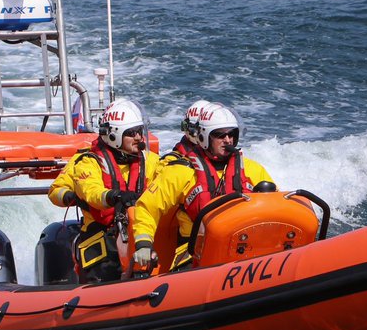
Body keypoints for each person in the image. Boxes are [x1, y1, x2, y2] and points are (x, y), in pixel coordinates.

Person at [130, 102, 275, 272]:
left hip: (243, 247)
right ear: (205, 137)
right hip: (195, 251)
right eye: (220, 135)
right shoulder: (181, 171)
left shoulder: (251, 169)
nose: (227, 140)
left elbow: (274, 203)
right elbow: (147, 207)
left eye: (231, 134)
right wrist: (143, 243)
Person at [49, 98, 160, 282]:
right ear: (115, 135)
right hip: (102, 239)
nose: (139, 137)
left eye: (140, 132)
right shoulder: (88, 161)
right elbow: (91, 191)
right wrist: (113, 196)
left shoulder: (150, 161)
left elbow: (168, 181)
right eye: (132, 133)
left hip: (140, 233)